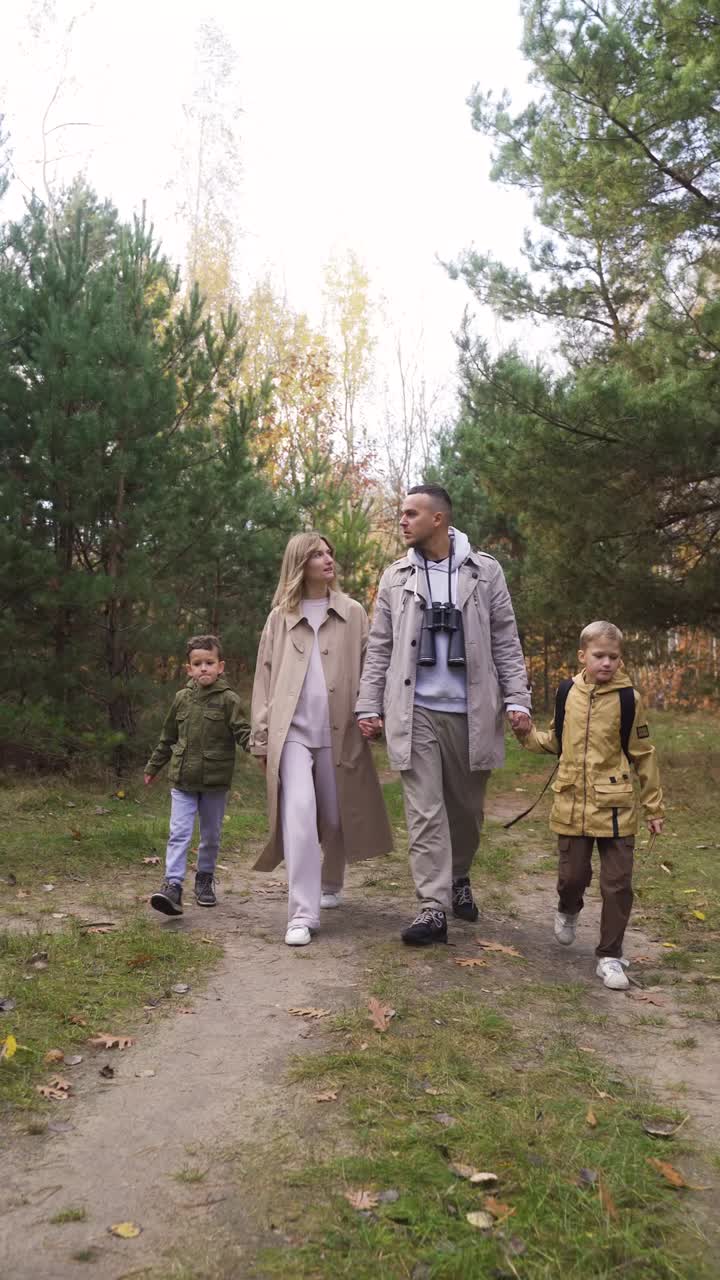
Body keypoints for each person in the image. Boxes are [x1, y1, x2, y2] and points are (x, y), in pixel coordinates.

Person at [356, 485, 531, 946]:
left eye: (411, 513)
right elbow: (380, 646)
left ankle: (459, 876)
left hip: (472, 711)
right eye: (402, 513)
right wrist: (368, 704)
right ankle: (432, 908)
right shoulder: (395, 577)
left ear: (438, 519)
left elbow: (505, 639)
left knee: (466, 813)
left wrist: (518, 698)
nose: (402, 521)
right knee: (424, 811)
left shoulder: (485, 571)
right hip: (415, 710)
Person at [250, 532, 393, 946]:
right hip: (291, 733)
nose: (328, 559)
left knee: (334, 816)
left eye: (330, 552)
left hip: (339, 731)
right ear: (300, 563)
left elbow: (372, 667)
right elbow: (264, 678)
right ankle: (301, 914)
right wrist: (262, 737)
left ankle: (331, 881)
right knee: (298, 815)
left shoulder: (352, 612)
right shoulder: (279, 618)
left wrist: (375, 712)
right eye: (317, 554)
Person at [512, 620, 664, 990]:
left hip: (616, 807)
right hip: (571, 804)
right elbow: (556, 741)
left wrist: (654, 808)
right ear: (583, 656)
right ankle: (568, 908)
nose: (607, 662)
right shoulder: (567, 693)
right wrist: (526, 735)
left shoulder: (628, 699)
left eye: (613, 656)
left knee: (618, 884)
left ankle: (609, 956)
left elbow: (643, 754)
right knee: (572, 878)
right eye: (599, 655)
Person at [144, 634, 251, 916]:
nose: (204, 668)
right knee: (179, 833)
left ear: (220, 666)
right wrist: (153, 767)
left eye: (209, 662)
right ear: (189, 669)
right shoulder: (181, 699)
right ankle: (173, 886)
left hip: (215, 783)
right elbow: (168, 737)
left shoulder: (229, 700)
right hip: (183, 781)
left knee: (210, 836)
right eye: (197, 663)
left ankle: (204, 879)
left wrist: (260, 750)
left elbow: (243, 732)